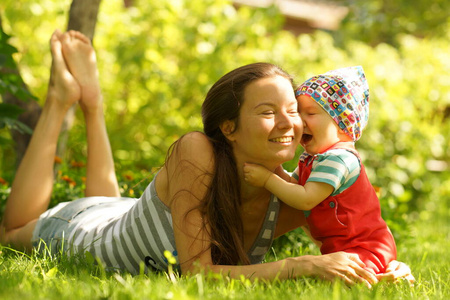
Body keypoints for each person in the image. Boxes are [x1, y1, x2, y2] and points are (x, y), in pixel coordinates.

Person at [0, 30, 414, 286]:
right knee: (11, 233)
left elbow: (351, 238)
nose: (289, 123)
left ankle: (92, 105)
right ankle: (62, 101)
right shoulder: (197, 150)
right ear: (228, 127)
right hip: (81, 229)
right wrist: (298, 265)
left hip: (125, 214)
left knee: (119, 209)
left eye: (293, 110)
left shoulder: (294, 191)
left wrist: (382, 269)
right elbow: (197, 274)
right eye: (268, 112)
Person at [243, 66, 396, 274]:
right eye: (298, 112)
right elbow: (293, 186)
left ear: (342, 124)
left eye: (311, 113)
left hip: (364, 250)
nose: (299, 121)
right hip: (342, 249)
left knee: (355, 278)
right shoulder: (312, 159)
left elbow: (305, 199)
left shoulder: (339, 159)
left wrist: (267, 179)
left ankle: (385, 277)